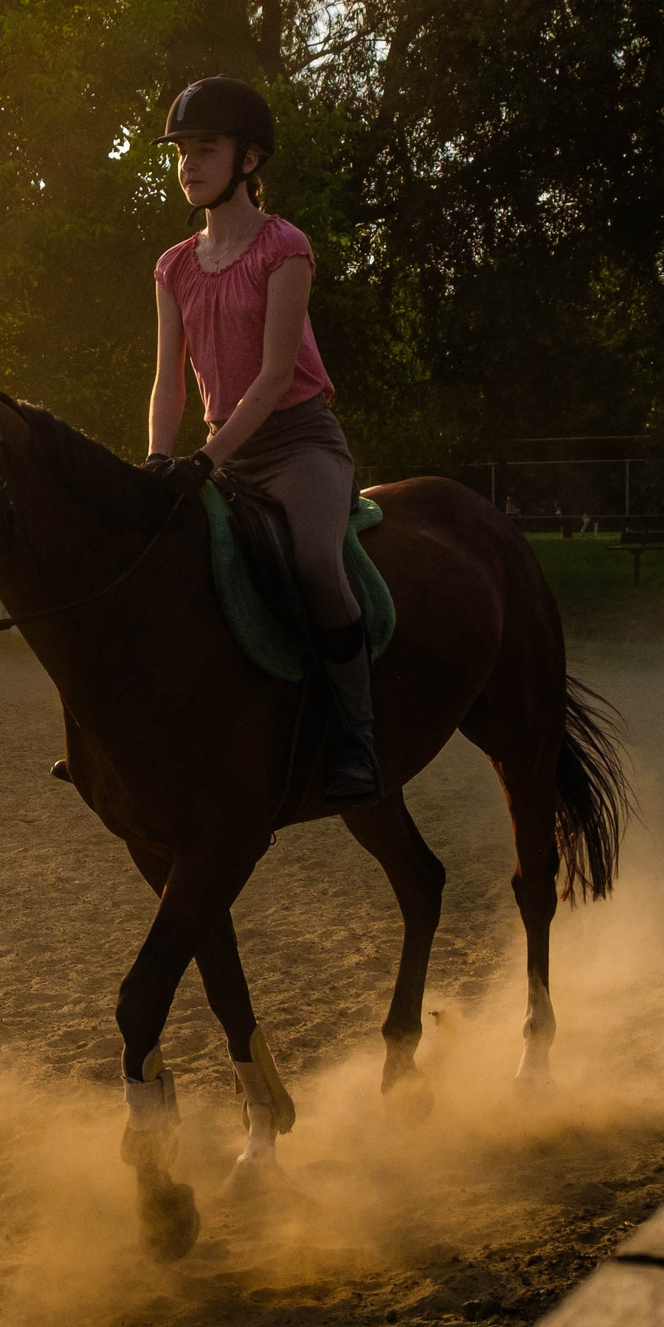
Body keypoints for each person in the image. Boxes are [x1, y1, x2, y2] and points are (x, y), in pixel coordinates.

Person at [144, 75, 378, 804]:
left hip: (300, 441)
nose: (188, 164)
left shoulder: (286, 248)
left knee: (313, 558)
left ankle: (356, 736)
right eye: (181, 152)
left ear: (248, 160)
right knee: (158, 559)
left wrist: (205, 458)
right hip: (223, 450)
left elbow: (277, 375)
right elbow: (169, 384)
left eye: (205, 149)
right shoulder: (173, 266)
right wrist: (158, 459)